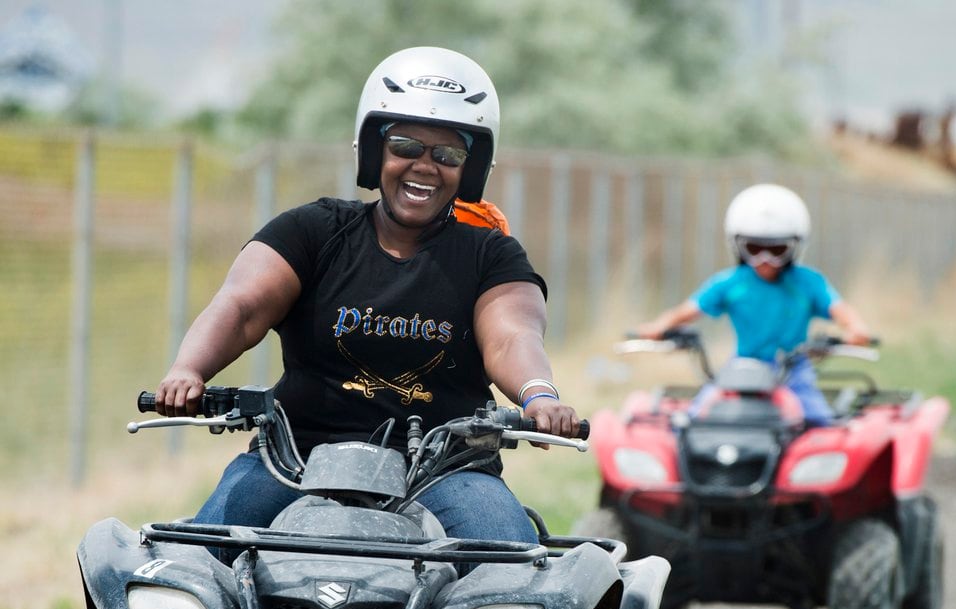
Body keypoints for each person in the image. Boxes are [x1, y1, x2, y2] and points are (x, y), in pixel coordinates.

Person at [154, 46, 580, 545]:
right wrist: (189, 370)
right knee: (200, 561)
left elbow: (512, 336)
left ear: (471, 168)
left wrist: (539, 395)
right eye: (406, 146)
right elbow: (241, 306)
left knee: (510, 567)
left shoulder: (491, 254)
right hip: (297, 459)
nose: (425, 166)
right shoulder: (313, 230)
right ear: (375, 151)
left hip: (447, 469)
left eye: (448, 154)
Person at [635, 183, 872, 426]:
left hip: (793, 372)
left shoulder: (807, 282)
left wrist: (856, 328)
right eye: (754, 248)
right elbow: (687, 311)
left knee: (820, 424)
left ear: (794, 247)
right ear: (738, 246)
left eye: (776, 249)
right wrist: (660, 325)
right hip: (742, 368)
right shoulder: (731, 282)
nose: (764, 259)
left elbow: (840, 310)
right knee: (697, 419)